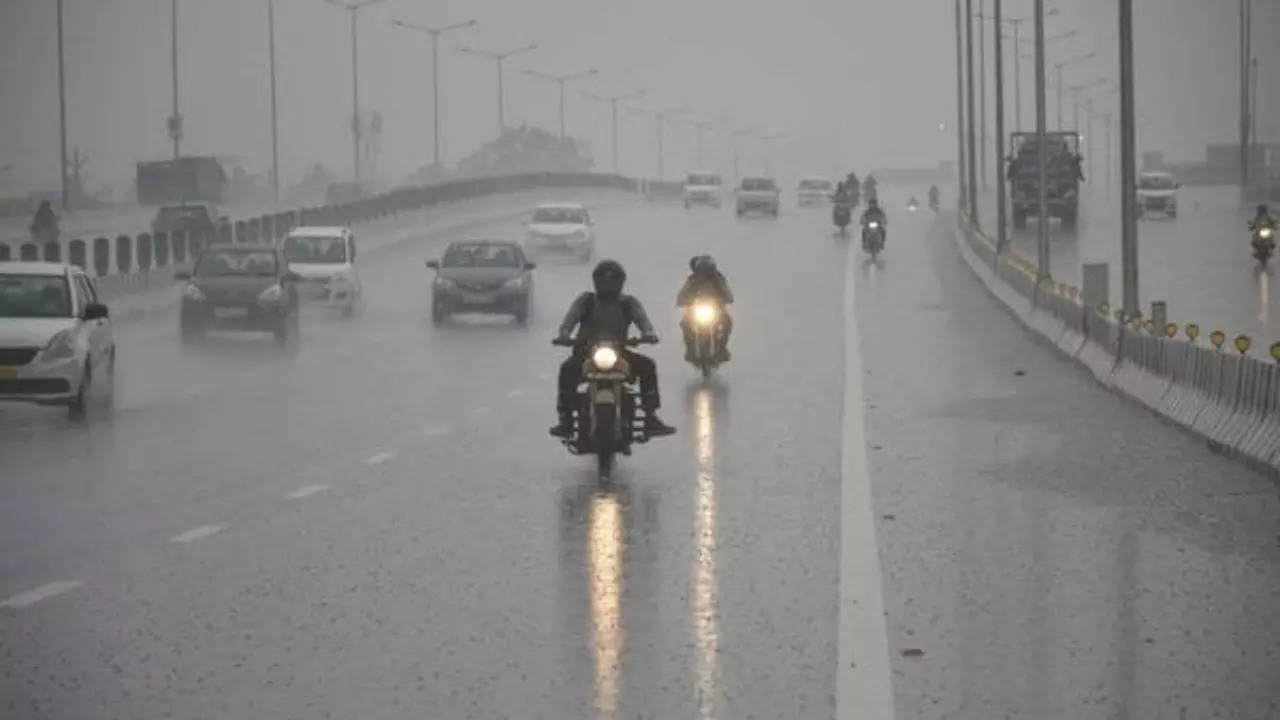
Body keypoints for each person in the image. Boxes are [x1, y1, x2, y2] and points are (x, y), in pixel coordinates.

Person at [551, 260, 676, 438]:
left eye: (613, 281)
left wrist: (648, 333)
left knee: (647, 366)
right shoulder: (586, 301)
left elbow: (642, 318)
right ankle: (565, 420)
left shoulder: (628, 303)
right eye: (603, 280)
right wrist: (564, 334)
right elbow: (571, 317)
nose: (608, 285)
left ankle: (650, 416)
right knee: (567, 370)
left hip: (620, 352)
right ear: (596, 282)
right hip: (587, 353)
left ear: (621, 283)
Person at [677, 255, 734, 362]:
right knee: (685, 324)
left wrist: (725, 299)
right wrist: (683, 301)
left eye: (707, 270)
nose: (704, 273)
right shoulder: (692, 280)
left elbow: (728, 293)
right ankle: (690, 350)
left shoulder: (718, 279)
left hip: (716, 310)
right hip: (696, 310)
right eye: (702, 270)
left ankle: (722, 349)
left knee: (727, 323)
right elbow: (683, 294)